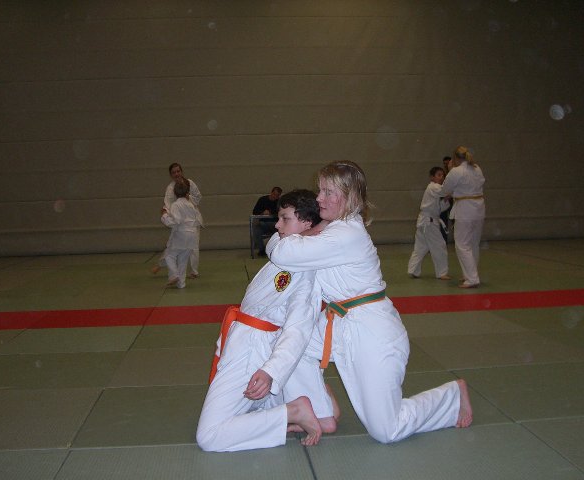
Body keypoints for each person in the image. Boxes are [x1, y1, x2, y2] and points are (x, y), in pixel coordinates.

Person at [267, 161, 472, 445]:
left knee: (387, 430)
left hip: (372, 332)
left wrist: (289, 235)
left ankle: (451, 397)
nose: (319, 198)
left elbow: (282, 253)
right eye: (320, 190)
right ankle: (320, 412)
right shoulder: (334, 228)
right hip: (340, 323)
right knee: (287, 346)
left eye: (328, 192)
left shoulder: (346, 234)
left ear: (349, 196)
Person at [196, 189, 337, 452]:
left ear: (306, 222)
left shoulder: (305, 273)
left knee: (209, 436)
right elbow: (274, 242)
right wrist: (314, 232)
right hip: (243, 340)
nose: (277, 225)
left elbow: (297, 331)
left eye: (285, 218)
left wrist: (270, 372)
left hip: (254, 349)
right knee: (252, 406)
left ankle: (294, 410)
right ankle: (316, 401)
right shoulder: (284, 249)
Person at [440, 146, 485, 288]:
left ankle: (472, 278)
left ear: (455, 158)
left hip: (465, 208)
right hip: (479, 207)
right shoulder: (476, 168)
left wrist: (449, 170)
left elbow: (445, 190)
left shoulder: (456, 171)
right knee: (473, 244)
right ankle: (469, 275)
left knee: (462, 244)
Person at [152, 163, 203, 277]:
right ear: (171, 175)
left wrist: (189, 197)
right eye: (174, 172)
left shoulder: (190, 183)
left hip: (192, 220)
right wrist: (166, 213)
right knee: (172, 245)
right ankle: (161, 264)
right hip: (179, 221)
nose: (176, 174)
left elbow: (198, 198)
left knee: (194, 246)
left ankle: (194, 271)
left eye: (178, 171)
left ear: (181, 171)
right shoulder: (170, 188)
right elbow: (168, 204)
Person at [407, 167, 451, 280]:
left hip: (426, 221)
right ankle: (442, 273)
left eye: (443, 175)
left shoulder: (434, 189)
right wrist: (453, 188)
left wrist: (446, 199)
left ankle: (413, 270)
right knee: (439, 246)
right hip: (429, 222)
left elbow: (439, 208)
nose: (441, 177)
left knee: (421, 247)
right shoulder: (433, 186)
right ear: (432, 177)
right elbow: (444, 190)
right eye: (439, 175)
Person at [160, 179, 202, 289]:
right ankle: (181, 284)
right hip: (192, 235)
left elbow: (176, 221)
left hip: (182, 234)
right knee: (183, 260)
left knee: (169, 255)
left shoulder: (176, 205)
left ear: (175, 193)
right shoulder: (191, 205)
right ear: (187, 192)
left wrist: (164, 216)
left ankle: (174, 275)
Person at [252, 187, 282, 257]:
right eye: (274, 194)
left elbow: (280, 212)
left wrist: (270, 212)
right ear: (271, 192)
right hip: (263, 224)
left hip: (275, 225)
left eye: (277, 195)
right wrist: (263, 213)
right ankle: (261, 250)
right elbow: (255, 211)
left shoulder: (279, 202)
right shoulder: (262, 200)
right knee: (257, 229)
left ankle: (276, 250)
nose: (275, 196)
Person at [440, 156, 454, 242]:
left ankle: (458, 240)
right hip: (444, 200)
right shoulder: (441, 174)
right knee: (443, 221)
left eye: (447, 163)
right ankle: (443, 241)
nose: (446, 165)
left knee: (455, 221)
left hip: (453, 201)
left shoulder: (455, 174)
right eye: (444, 163)